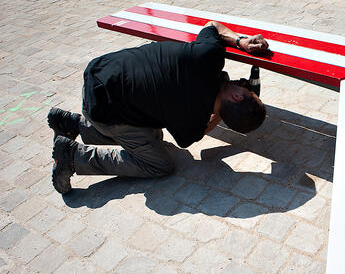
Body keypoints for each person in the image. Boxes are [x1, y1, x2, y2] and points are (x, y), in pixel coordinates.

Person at [47, 21, 269, 194]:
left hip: (100, 70)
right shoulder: (192, 120)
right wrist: (219, 114)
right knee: (158, 163)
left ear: (238, 97)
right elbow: (194, 135)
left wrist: (240, 41)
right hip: (102, 106)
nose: (243, 84)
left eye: (246, 88)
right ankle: (74, 157)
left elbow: (212, 26)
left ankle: (73, 125)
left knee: (152, 135)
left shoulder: (208, 56)